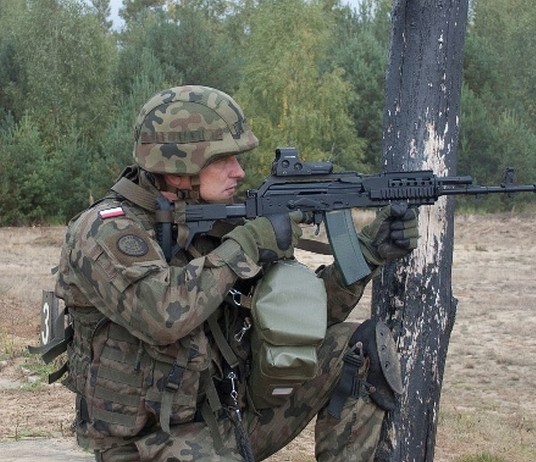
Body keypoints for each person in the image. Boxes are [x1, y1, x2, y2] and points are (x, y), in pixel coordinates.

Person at [53, 85, 418, 461]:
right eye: (224, 159)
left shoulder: (220, 225)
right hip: (144, 447)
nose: (239, 172)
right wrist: (243, 248)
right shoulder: (104, 231)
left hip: (226, 422)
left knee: (355, 350)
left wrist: (368, 252)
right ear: (180, 168)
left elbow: (295, 318)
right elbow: (162, 314)